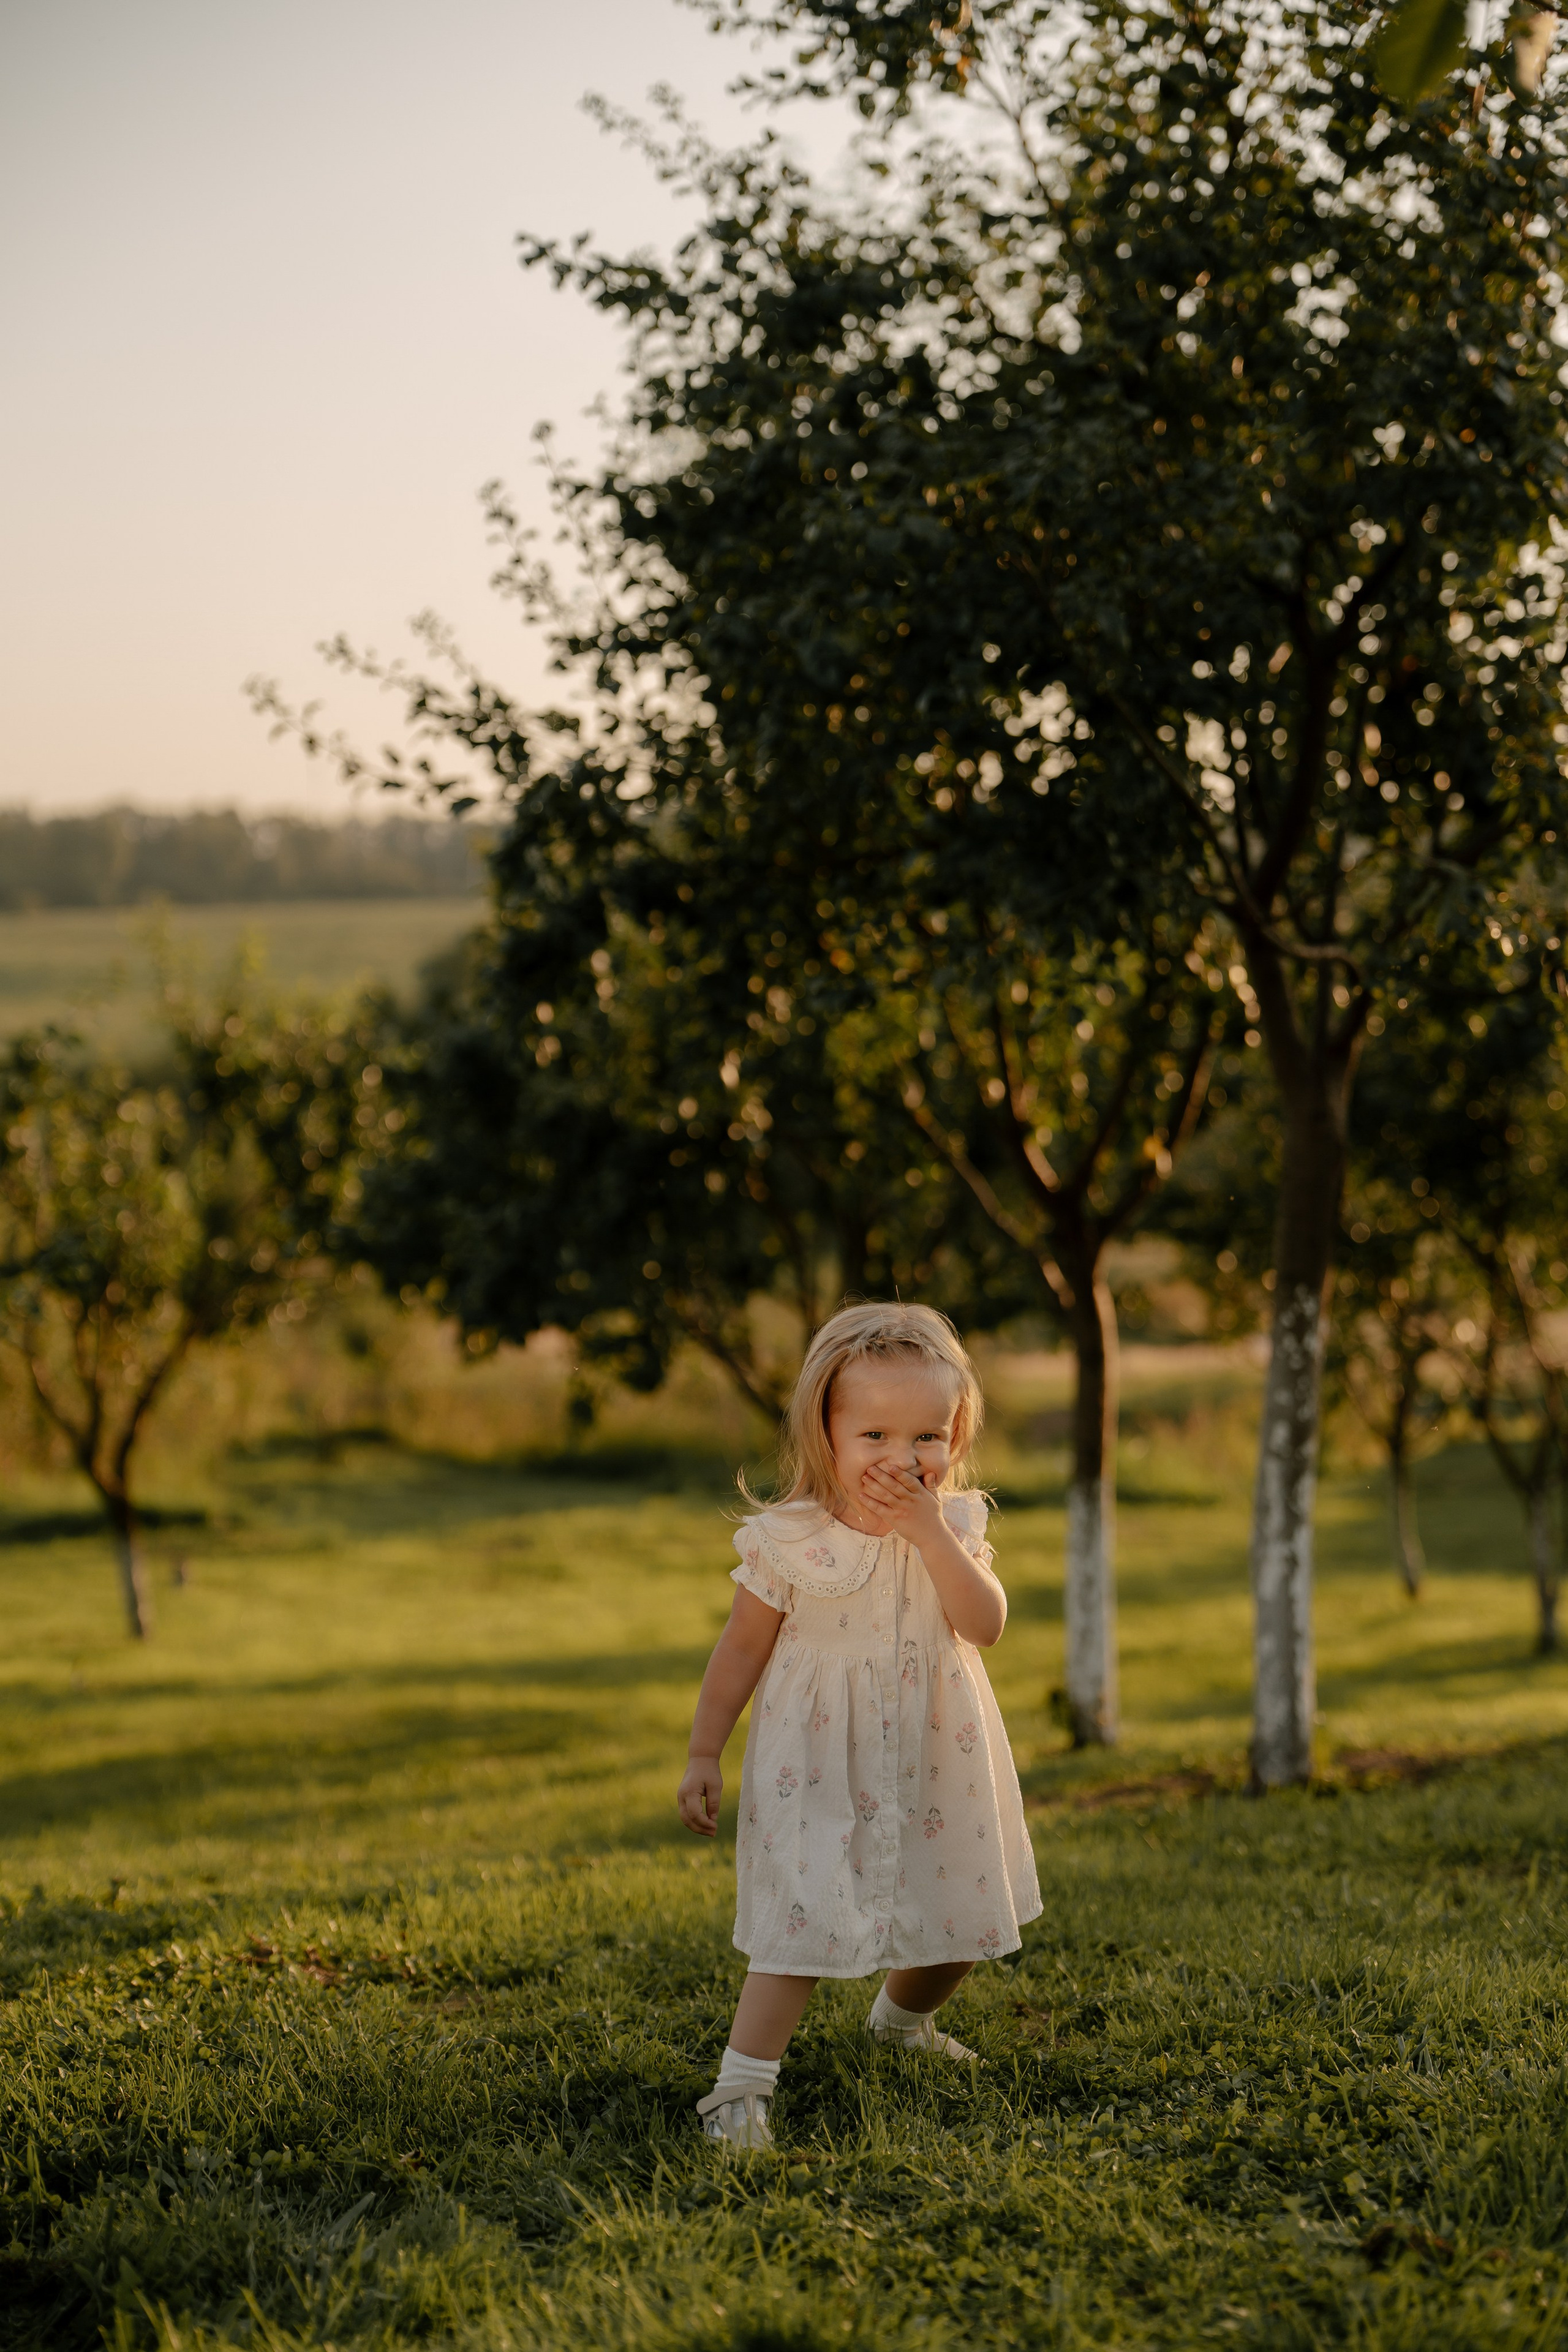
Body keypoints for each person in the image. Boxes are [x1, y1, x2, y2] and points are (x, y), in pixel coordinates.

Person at [677, 1300, 1041, 2149]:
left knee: (959, 1909)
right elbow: (739, 1651)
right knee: (800, 1917)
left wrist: (930, 1535)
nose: (902, 1458)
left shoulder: (954, 1525)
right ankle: (740, 2089)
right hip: (815, 1759)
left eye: (926, 1437)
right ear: (827, 1433)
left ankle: (901, 2024)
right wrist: (704, 1750)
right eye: (874, 1436)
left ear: (954, 1437)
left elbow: (983, 1624)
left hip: (933, 1755)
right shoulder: (788, 1541)